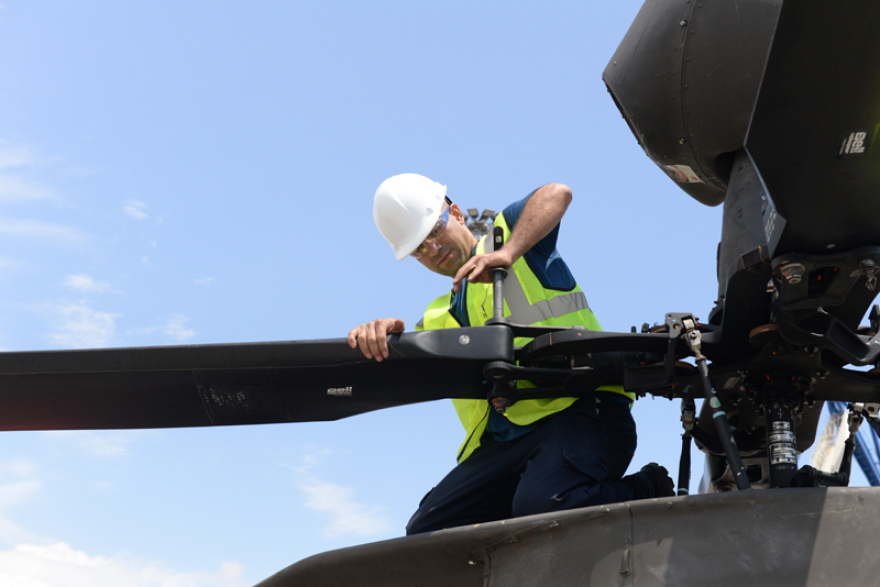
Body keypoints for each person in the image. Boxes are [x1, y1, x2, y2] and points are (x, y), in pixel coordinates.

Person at [348, 173, 674, 535]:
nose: (433, 250)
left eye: (435, 232)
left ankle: (648, 488)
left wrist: (506, 253)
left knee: (548, 504)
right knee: (431, 531)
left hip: (581, 414)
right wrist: (378, 335)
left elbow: (556, 193)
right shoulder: (437, 317)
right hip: (504, 447)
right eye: (419, 249)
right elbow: (405, 364)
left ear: (456, 213)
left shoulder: (510, 238)